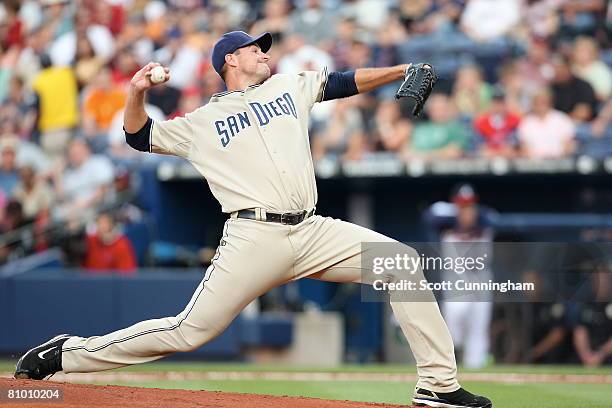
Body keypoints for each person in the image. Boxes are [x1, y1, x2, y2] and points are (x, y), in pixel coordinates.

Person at [14, 31, 491, 408]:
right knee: (187, 332)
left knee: (401, 262)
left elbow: (345, 80)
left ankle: (438, 386)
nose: (265, 53)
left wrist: (402, 70)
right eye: (254, 49)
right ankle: (68, 353)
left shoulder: (289, 84)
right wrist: (136, 91)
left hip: (312, 229)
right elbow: (139, 138)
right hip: (253, 236)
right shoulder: (202, 120)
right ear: (230, 61)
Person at [517, 87, 576, 159]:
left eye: (543, 102)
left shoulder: (562, 119)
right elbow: (524, 146)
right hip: (534, 163)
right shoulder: (527, 122)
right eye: (537, 102)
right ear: (533, 104)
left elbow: (569, 144)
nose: (540, 105)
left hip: (559, 161)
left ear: (550, 102)